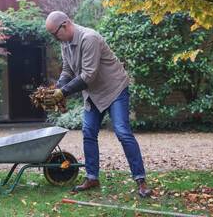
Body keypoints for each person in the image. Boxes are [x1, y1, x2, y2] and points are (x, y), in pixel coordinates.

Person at [44, 11, 151, 198]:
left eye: (54, 33)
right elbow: (68, 70)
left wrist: (63, 92)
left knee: (122, 131)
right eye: (51, 35)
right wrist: (57, 89)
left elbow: (88, 75)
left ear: (65, 25)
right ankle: (92, 177)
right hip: (93, 92)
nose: (53, 38)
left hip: (114, 89)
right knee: (88, 132)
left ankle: (141, 181)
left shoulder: (89, 38)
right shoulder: (65, 43)